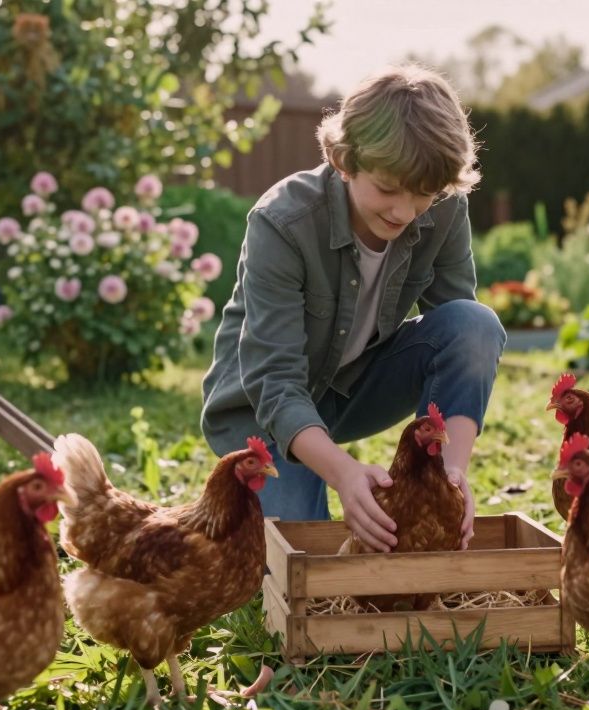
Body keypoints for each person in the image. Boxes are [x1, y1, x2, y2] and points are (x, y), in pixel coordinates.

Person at [200, 65, 505, 553]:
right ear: (344, 160)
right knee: (303, 557)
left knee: (476, 322)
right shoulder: (282, 223)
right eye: (387, 189)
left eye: (423, 194)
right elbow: (275, 381)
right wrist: (343, 473)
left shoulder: (445, 208)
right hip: (262, 412)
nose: (404, 211)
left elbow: (463, 339)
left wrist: (449, 478)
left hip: (350, 390)